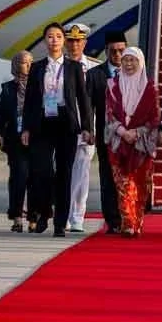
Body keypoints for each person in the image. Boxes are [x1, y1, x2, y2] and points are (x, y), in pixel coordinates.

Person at [21, 22, 93, 237]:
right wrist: (26, 128)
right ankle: (44, 211)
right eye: (50, 37)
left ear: (64, 41)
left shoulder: (73, 67)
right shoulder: (36, 68)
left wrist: (87, 127)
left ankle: (60, 223)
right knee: (41, 172)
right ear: (45, 41)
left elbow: (84, 100)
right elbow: (30, 101)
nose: (54, 40)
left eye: (58, 37)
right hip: (42, 122)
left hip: (66, 123)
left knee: (64, 174)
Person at [105, 46, 160, 237]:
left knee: (141, 184)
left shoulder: (150, 87)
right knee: (123, 185)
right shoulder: (112, 85)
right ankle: (128, 223)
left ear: (141, 63)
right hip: (118, 142)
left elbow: (155, 118)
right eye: (126, 60)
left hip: (142, 144)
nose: (129, 64)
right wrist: (122, 131)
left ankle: (137, 220)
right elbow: (109, 114)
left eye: (133, 60)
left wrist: (136, 132)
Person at [89, 30, 125, 234]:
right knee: (108, 178)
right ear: (106, 51)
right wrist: (90, 129)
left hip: (129, 136)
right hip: (106, 136)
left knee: (127, 177)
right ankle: (112, 220)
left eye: (121, 50)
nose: (118, 55)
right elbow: (88, 107)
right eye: (113, 51)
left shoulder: (134, 72)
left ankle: (127, 215)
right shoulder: (95, 75)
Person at [63, 23, 98, 233]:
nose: (74, 45)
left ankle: (76, 216)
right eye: (71, 41)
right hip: (62, 126)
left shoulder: (94, 68)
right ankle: (63, 213)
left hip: (86, 127)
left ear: (85, 42)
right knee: (63, 172)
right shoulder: (58, 65)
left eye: (78, 41)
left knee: (82, 172)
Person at [0, 51, 32, 232]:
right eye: (23, 63)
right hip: (15, 139)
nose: (26, 66)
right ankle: (17, 216)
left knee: (36, 177)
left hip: (35, 137)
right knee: (19, 177)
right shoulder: (8, 88)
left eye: (29, 62)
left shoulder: (38, 86)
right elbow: (1, 114)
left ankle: (34, 217)